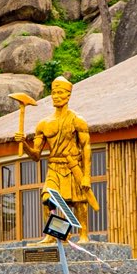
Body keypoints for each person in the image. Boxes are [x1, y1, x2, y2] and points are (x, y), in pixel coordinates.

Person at [21, 76, 97, 240]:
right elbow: (36, 155)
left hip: (72, 166)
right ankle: (56, 235)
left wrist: (86, 176)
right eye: (54, 93)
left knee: (78, 201)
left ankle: (83, 235)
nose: (56, 96)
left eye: (60, 93)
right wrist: (24, 144)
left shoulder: (77, 120)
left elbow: (86, 147)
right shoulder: (43, 124)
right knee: (47, 200)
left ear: (68, 95)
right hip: (54, 167)